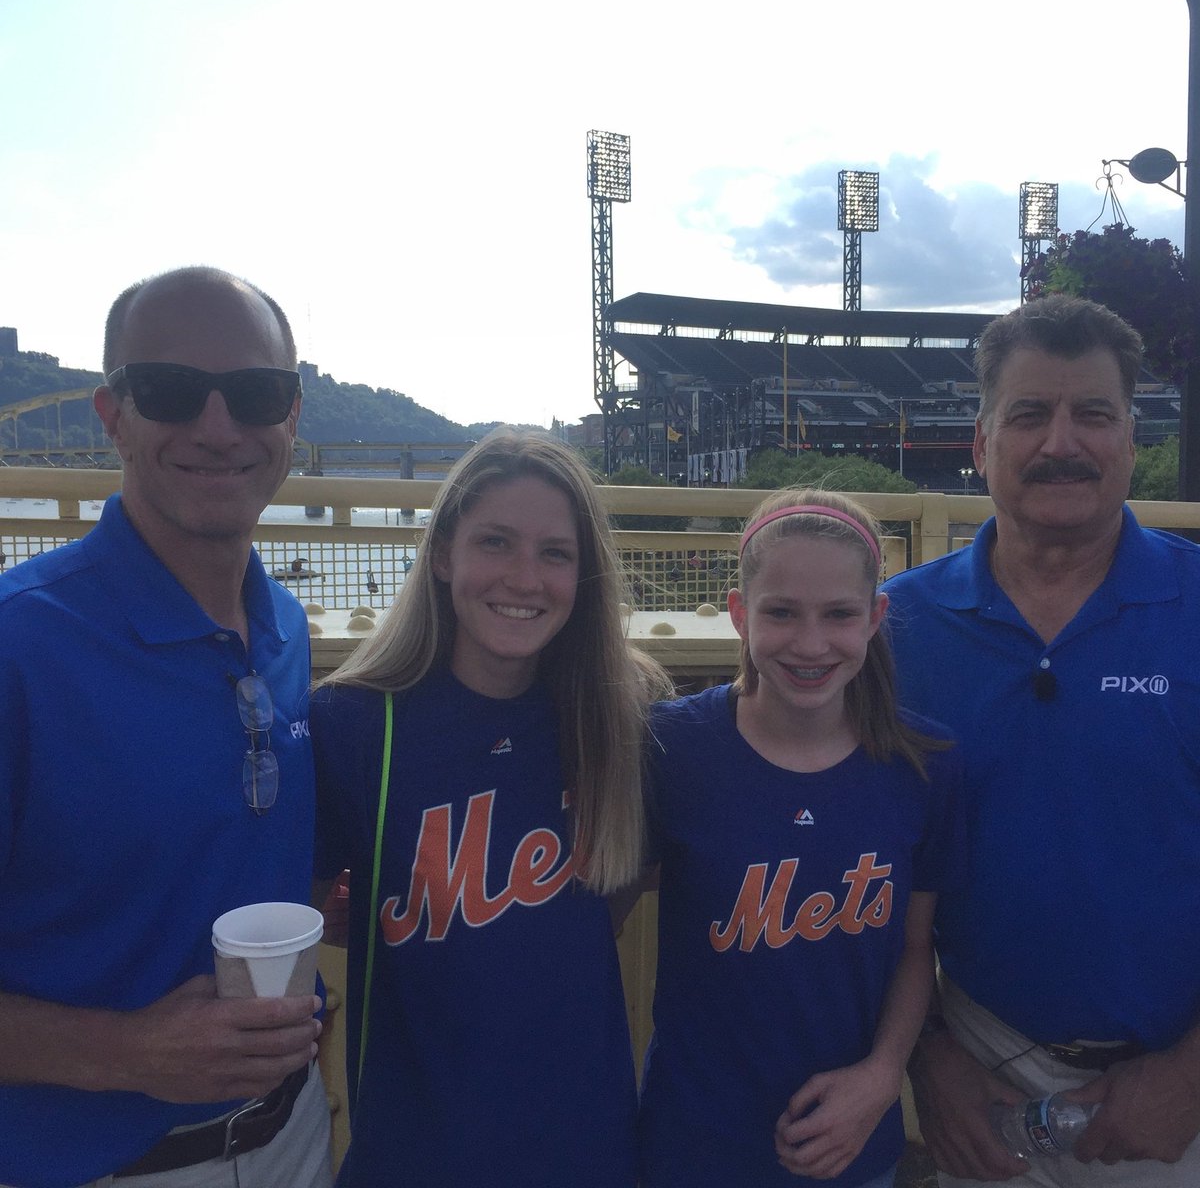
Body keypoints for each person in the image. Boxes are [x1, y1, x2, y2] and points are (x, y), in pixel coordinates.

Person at [0, 267, 332, 1188]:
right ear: (114, 414)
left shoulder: (285, 629)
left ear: (291, 416)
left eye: (255, 394)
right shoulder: (20, 645)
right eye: (172, 391)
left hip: (294, 1134)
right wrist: (128, 1052)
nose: (218, 428)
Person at [886, 294, 1200, 1187]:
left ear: (1131, 440)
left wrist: (1189, 1076)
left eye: (1093, 415)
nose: (1061, 442)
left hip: (1181, 1085)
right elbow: (854, 862)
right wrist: (929, 1057)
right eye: (1029, 415)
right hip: (983, 1075)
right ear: (982, 444)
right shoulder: (895, 629)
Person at [310, 430, 671, 1187]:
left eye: (555, 554)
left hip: (587, 1148)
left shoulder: (623, 715)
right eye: (496, 542)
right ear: (443, 554)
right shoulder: (353, 726)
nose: (524, 578)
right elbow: (297, 914)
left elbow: (627, 879)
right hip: (416, 1154)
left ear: (585, 574)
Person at [637, 487, 964, 1188]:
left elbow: (914, 947)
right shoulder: (672, 748)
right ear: (738, 614)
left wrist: (882, 1077)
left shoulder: (921, 766)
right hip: (696, 1144)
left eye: (840, 614)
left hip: (852, 1149)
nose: (810, 644)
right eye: (780, 612)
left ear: (875, 618)